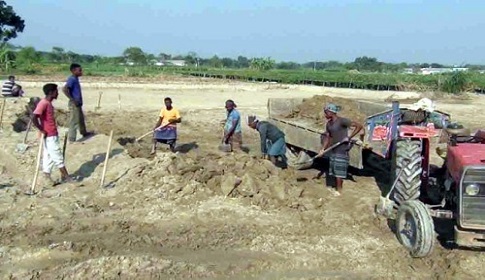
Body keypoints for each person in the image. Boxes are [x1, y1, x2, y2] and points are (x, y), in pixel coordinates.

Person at [316, 103, 363, 196]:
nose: (325, 114)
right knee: (333, 169)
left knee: (339, 172)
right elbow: (328, 137)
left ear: (331, 112)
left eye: (326, 112)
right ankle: (335, 187)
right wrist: (322, 149)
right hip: (333, 149)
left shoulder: (342, 121)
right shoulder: (328, 124)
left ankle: (339, 191)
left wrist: (349, 137)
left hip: (342, 149)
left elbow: (359, 126)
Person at [32, 83, 74, 185]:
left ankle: (47, 176)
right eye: (56, 91)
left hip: (50, 134)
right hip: (49, 134)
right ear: (51, 92)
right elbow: (34, 117)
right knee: (57, 155)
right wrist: (41, 129)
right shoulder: (44, 103)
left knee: (48, 156)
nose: (57, 93)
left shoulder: (48, 103)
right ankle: (66, 176)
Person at [62, 63, 94, 143]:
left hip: (78, 103)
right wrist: (72, 99)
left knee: (80, 119)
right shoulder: (72, 79)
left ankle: (84, 132)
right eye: (79, 70)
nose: (81, 71)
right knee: (74, 121)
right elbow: (65, 89)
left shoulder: (75, 78)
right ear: (73, 71)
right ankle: (72, 139)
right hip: (74, 104)